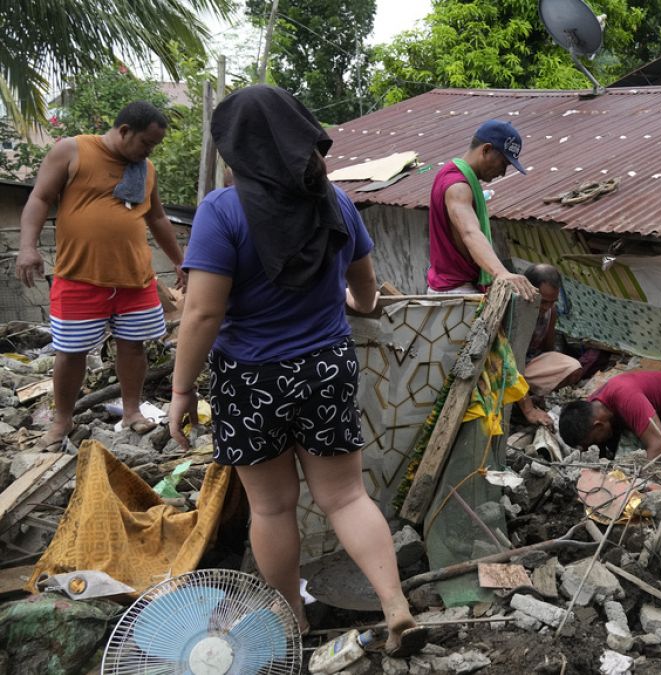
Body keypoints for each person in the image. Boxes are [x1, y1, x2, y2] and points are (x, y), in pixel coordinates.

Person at [167, 85, 425, 655]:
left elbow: (204, 311)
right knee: (347, 498)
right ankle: (394, 605)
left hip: (252, 378)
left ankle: (293, 625)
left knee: (272, 506)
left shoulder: (222, 211)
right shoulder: (336, 203)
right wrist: (352, 306)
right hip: (327, 368)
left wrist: (182, 389)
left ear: (237, 148)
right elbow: (366, 292)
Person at [15, 101, 183, 448]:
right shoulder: (72, 150)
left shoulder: (145, 168)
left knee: (133, 347)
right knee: (70, 351)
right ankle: (62, 421)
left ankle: (133, 411)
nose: (149, 151)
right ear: (124, 131)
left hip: (135, 278)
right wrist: (27, 247)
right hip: (79, 276)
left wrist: (182, 262)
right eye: (146, 143)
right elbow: (40, 197)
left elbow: (158, 219)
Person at [426, 119, 537, 302]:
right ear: (485, 150)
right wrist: (501, 272)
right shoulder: (457, 186)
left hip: (454, 288)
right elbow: (469, 232)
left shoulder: (456, 177)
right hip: (456, 293)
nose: (502, 172)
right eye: (503, 163)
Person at [558, 370, 661, 459]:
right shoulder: (591, 408)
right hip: (652, 407)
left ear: (598, 425)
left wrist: (633, 482)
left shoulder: (626, 398)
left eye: (592, 442)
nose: (592, 447)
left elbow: (660, 446)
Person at [516, 264, 583, 426]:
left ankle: (530, 397)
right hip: (506, 368)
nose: (546, 307)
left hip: (529, 364)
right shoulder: (515, 310)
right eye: (543, 301)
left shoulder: (550, 311)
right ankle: (520, 404)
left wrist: (544, 389)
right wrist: (529, 410)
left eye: (552, 302)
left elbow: (548, 349)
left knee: (573, 369)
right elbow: (506, 360)